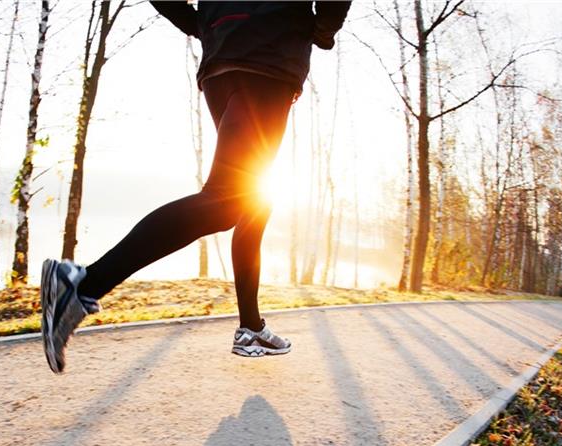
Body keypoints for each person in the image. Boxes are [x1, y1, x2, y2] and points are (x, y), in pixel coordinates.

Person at [41, 1, 351, 374]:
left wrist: (201, 23)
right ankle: (83, 284)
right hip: (269, 52)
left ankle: (251, 328)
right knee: (227, 202)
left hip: (223, 54)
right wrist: (324, 29)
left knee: (254, 200)